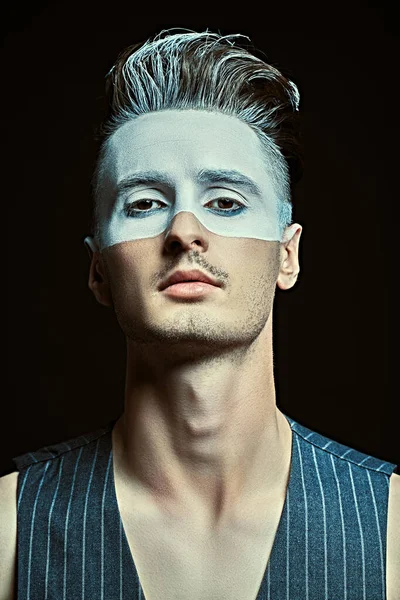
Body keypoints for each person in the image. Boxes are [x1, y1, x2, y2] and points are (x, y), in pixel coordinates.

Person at [1, 29, 399, 600]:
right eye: (144, 204)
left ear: (287, 255)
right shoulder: (10, 533)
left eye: (225, 203)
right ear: (98, 271)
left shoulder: (392, 533)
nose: (185, 230)